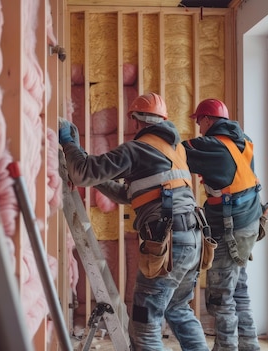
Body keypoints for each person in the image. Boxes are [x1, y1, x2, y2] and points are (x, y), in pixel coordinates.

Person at [59, 92, 209, 351]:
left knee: (145, 327)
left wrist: (69, 144)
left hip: (170, 243)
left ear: (136, 122)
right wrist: (95, 178)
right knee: (178, 310)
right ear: (162, 120)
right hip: (195, 239)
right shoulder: (176, 149)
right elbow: (130, 195)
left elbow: (82, 172)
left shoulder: (137, 149)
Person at [182, 98, 263, 351]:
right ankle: (249, 345)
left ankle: (226, 347)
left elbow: (174, 152)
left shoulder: (212, 145)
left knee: (221, 297)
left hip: (230, 229)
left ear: (207, 120)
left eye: (199, 122)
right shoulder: (243, 141)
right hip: (248, 224)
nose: (198, 128)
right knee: (238, 288)